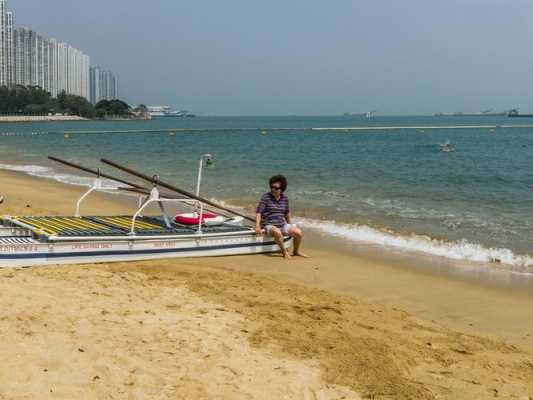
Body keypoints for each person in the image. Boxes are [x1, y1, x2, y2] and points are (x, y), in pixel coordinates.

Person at [255, 175, 306, 259]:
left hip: (282, 224)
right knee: (277, 232)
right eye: (272, 187)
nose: (273, 189)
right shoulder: (266, 197)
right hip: (268, 225)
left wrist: (290, 224)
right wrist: (257, 226)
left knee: (298, 233)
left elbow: (286, 212)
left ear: (281, 189)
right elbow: (259, 212)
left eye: (276, 188)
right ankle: (284, 252)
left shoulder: (285, 199)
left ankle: (296, 251)